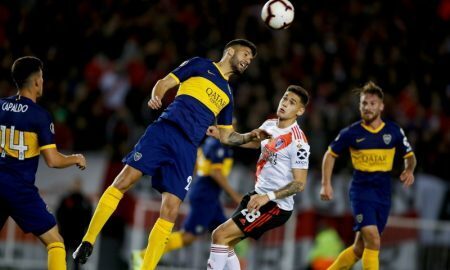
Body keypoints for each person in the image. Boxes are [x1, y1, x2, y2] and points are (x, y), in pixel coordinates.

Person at [73, 39, 270, 270]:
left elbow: (227, 136)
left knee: (171, 209)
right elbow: (165, 81)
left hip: (187, 148)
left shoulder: (228, 95)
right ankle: (87, 240)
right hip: (165, 130)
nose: (248, 60)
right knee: (124, 180)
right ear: (230, 51)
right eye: (246, 54)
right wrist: (156, 94)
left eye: (251, 59)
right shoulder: (200, 65)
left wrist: (250, 138)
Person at [206, 85, 311, 270]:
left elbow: (299, 184)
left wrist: (267, 197)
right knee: (226, 244)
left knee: (219, 235)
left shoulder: (299, 142)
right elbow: (250, 142)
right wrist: (222, 135)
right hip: (257, 196)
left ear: (300, 111)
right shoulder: (270, 125)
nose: (285, 103)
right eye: (285, 98)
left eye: (292, 102)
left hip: (276, 205)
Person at [0, 56, 87, 270]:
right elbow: (53, 160)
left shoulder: (0, 105)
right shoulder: (40, 116)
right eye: (42, 77)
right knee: (55, 242)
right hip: (20, 190)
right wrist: (75, 158)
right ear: (37, 81)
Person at [320, 81, 416, 270]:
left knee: (359, 248)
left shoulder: (393, 131)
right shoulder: (352, 132)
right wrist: (326, 184)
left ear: (381, 106)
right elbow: (329, 155)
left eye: (372, 103)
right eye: (364, 103)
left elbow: (410, 156)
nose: (367, 107)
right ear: (359, 106)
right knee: (374, 239)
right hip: (361, 192)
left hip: (383, 194)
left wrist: (409, 169)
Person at [132, 135, 242, 269]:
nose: (232, 130)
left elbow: (197, 164)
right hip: (205, 196)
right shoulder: (217, 144)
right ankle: (143, 255)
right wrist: (235, 196)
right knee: (189, 236)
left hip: (210, 197)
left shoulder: (210, 142)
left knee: (229, 235)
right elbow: (215, 172)